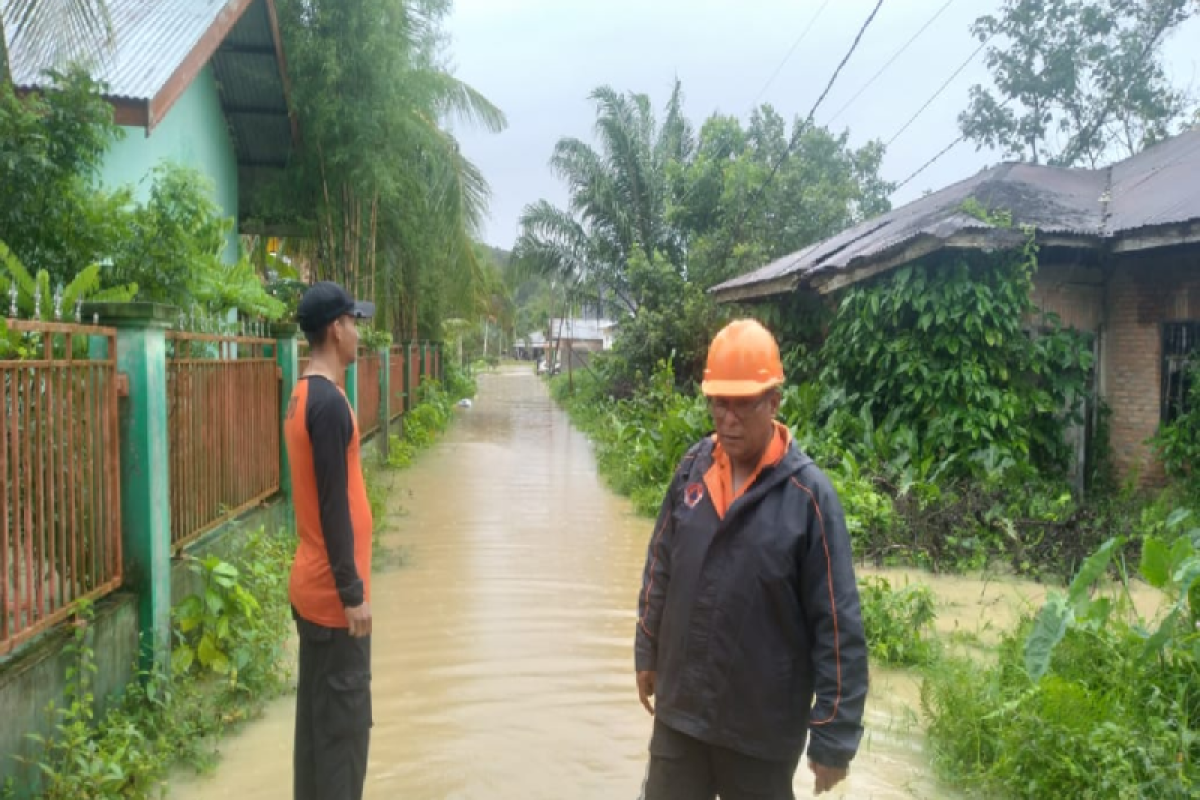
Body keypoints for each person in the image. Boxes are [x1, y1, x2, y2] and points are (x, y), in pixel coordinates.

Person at [634, 319, 869, 800]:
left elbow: (838, 625)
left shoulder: (809, 499)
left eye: (744, 404)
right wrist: (647, 650)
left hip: (760, 735)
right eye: (720, 403)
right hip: (682, 718)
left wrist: (833, 737)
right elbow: (660, 567)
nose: (729, 418)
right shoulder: (691, 473)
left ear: (774, 401)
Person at [285, 281, 377, 800]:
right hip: (333, 605)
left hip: (315, 594)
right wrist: (352, 593)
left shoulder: (305, 394)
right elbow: (333, 508)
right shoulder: (327, 406)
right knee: (342, 748)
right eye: (353, 322)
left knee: (319, 741)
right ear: (334, 329)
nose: (358, 332)